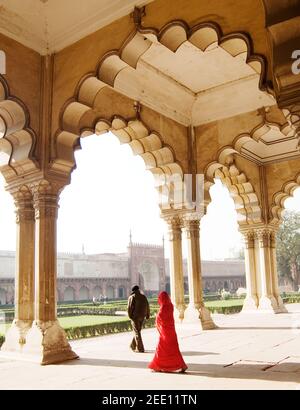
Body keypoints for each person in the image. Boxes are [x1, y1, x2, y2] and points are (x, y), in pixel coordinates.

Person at [148, 291, 187, 373]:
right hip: (171, 332)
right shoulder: (170, 306)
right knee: (174, 350)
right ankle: (181, 365)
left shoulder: (163, 307)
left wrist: (157, 318)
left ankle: (157, 365)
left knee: (161, 349)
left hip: (165, 333)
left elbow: (160, 317)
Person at [127, 285, 150, 353]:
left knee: (137, 332)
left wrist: (130, 316)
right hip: (142, 316)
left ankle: (140, 348)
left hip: (135, 317)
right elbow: (147, 305)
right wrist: (147, 315)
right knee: (138, 331)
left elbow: (129, 308)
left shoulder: (132, 297)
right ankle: (133, 345)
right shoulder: (143, 296)